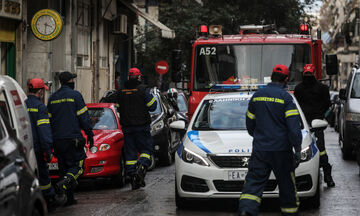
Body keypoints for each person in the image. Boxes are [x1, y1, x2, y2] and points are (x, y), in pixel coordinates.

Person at [238, 64, 303, 216]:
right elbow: (294, 128)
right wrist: (298, 149)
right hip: (282, 151)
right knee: (286, 185)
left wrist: (260, 136)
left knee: (253, 185)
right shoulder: (286, 98)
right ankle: (290, 212)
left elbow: (249, 123)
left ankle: (246, 211)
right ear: (286, 80)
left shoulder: (257, 96)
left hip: (261, 150)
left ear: (272, 76)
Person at [47, 71, 94, 206]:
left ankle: (69, 198)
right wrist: (89, 134)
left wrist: (50, 142)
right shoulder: (75, 96)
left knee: (63, 169)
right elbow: (84, 118)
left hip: (57, 141)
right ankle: (65, 183)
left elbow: (49, 122)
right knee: (77, 167)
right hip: (73, 140)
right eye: (73, 79)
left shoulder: (52, 98)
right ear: (70, 82)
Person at [25, 78, 67, 212]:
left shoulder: (23, 104)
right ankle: (48, 199)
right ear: (40, 91)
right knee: (44, 176)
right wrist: (48, 150)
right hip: (38, 148)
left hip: (26, 148)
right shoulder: (40, 107)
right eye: (43, 90)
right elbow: (44, 131)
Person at [294, 64, 335, 187]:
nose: (308, 76)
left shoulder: (322, 88)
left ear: (313, 73)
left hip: (317, 124)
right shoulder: (299, 88)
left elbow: (328, 104)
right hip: (302, 125)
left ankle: (327, 176)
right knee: (302, 150)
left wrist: (322, 117)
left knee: (321, 150)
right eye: (306, 74)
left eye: (309, 74)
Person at [116, 67, 157, 190]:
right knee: (146, 150)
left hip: (127, 129)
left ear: (129, 77)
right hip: (142, 127)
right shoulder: (143, 89)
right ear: (139, 77)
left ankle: (133, 176)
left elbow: (118, 108)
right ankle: (141, 167)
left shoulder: (121, 91)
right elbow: (153, 106)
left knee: (130, 155)